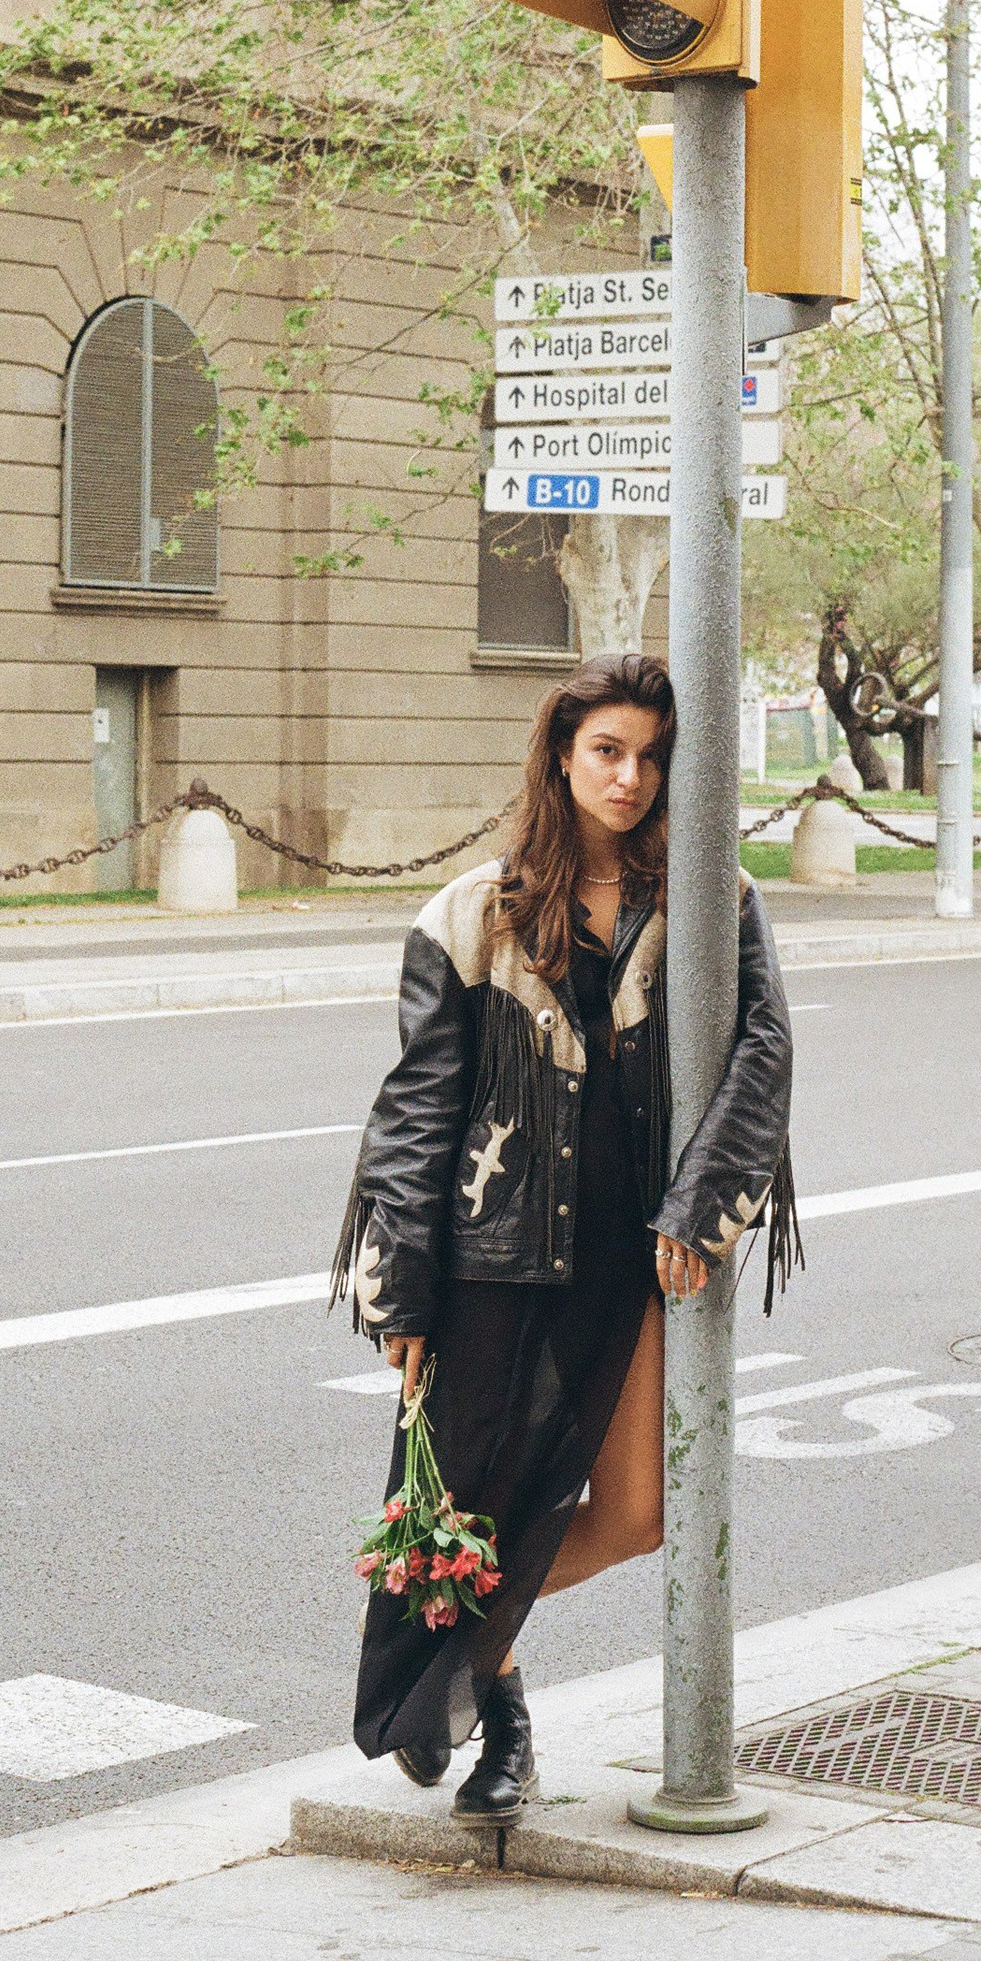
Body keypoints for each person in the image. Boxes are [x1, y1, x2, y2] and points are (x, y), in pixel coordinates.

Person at [330, 652, 798, 1826]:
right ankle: (502, 1722)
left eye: (652, 757)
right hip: (492, 1263)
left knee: (636, 1513)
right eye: (607, 751)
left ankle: (455, 1677)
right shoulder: (471, 913)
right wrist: (403, 1291)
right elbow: (416, 1113)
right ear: (560, 755)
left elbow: (763, 1053)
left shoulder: (712, 899)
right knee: (462, 1517)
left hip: (638, 1259)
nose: (629, 777)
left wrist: (702, 1204)